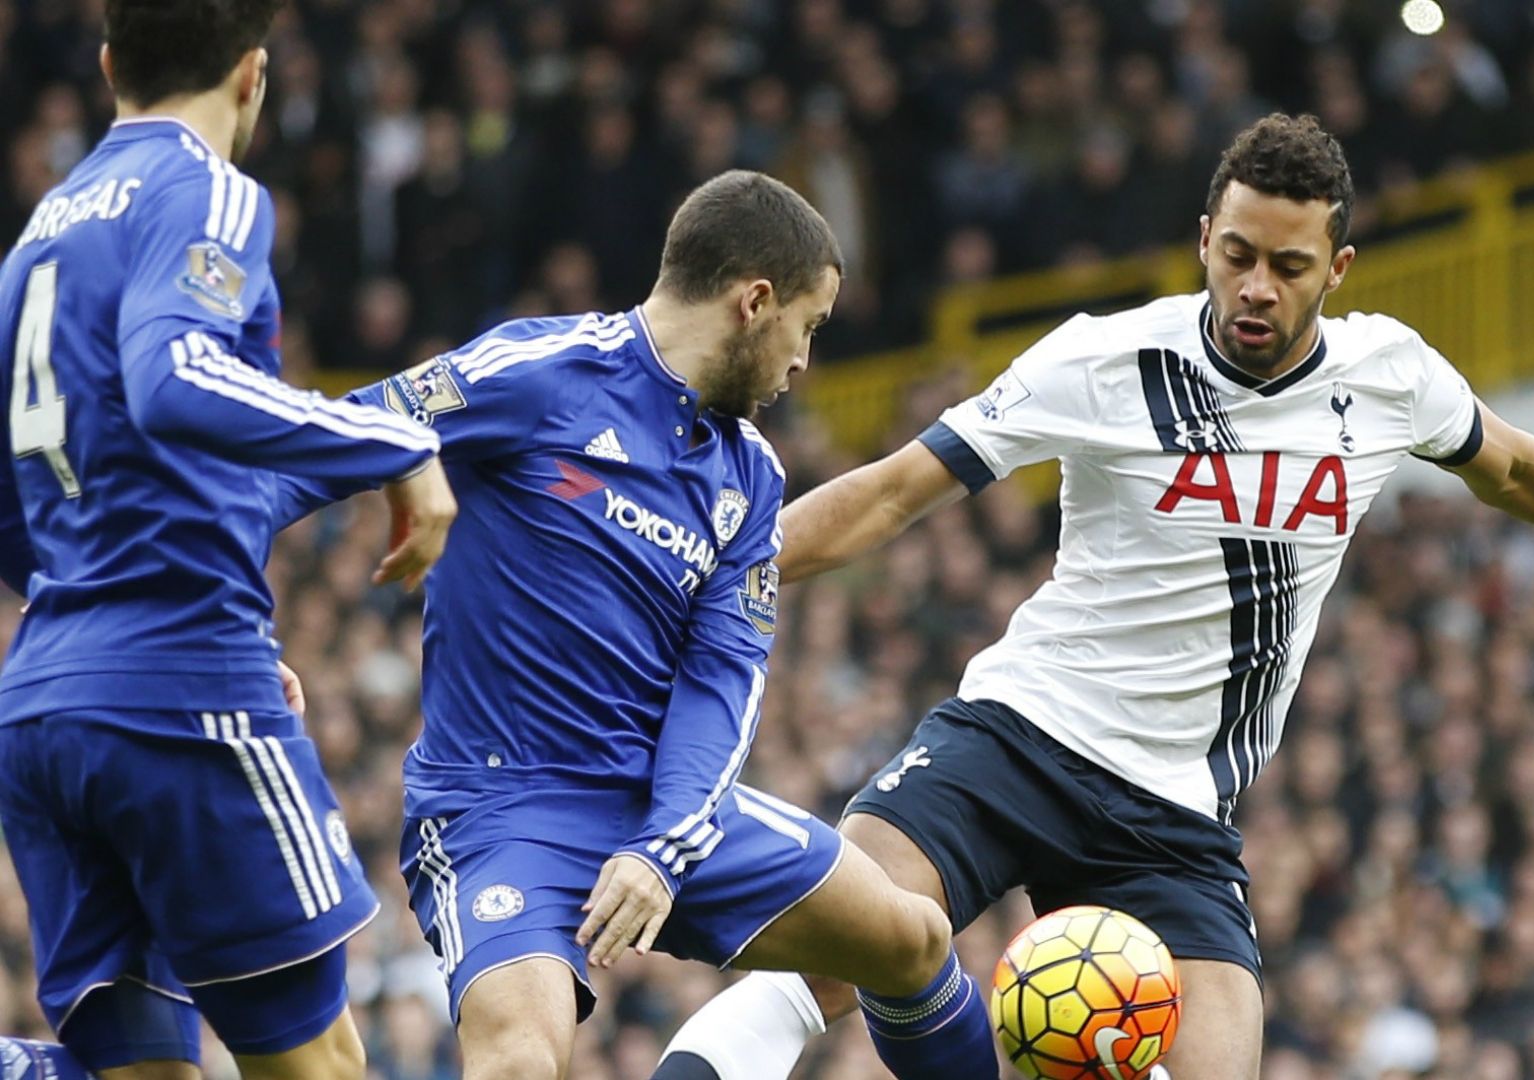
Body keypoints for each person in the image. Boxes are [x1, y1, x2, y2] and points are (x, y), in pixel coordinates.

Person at [652, 113, 1534, 1080]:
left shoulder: (1388, 377)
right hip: (1016, 738)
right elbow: (889, 497)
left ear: (1334, 269)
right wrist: (692, 570)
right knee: (838, 943)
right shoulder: (1101, 360)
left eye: (1288, 267)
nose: (1255, 286)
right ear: (1205, 238)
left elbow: (1509, 466)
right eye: (1236, 256)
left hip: (1176, 815)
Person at [271, 170, 998, 1080]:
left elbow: (720, 684)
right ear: (755, 302)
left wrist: (662, 845)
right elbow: (311, 442)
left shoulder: (751, 478)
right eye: (807, 328)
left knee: (912, 939)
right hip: (502, 812)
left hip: (661, 802)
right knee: (519, 1064)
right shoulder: (540, 375)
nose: (804, 361)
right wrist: (229, 623)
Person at [0, 0, 458, 1077]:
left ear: (111, 66)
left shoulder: (37, 236)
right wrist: (396, 443)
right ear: (254, 76)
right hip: (177, 686)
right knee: (321, 1067)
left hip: (44, 706)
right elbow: (175, 378)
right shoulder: (204, 189)